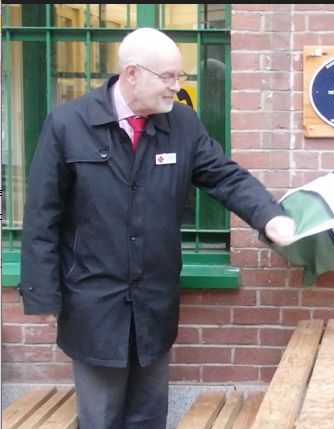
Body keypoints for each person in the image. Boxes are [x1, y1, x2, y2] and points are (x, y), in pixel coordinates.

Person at [17, 27, 297, 429]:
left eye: (178, 76)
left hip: (154, 301)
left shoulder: (181, 124)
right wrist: (42, 295)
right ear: (132, 73)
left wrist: (268, 215)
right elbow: (42, 215)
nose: (175, 86)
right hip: (93, 301)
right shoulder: (68, 124)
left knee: (149, 416)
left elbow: (224, 177)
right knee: (100, 418)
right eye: (167, 77)